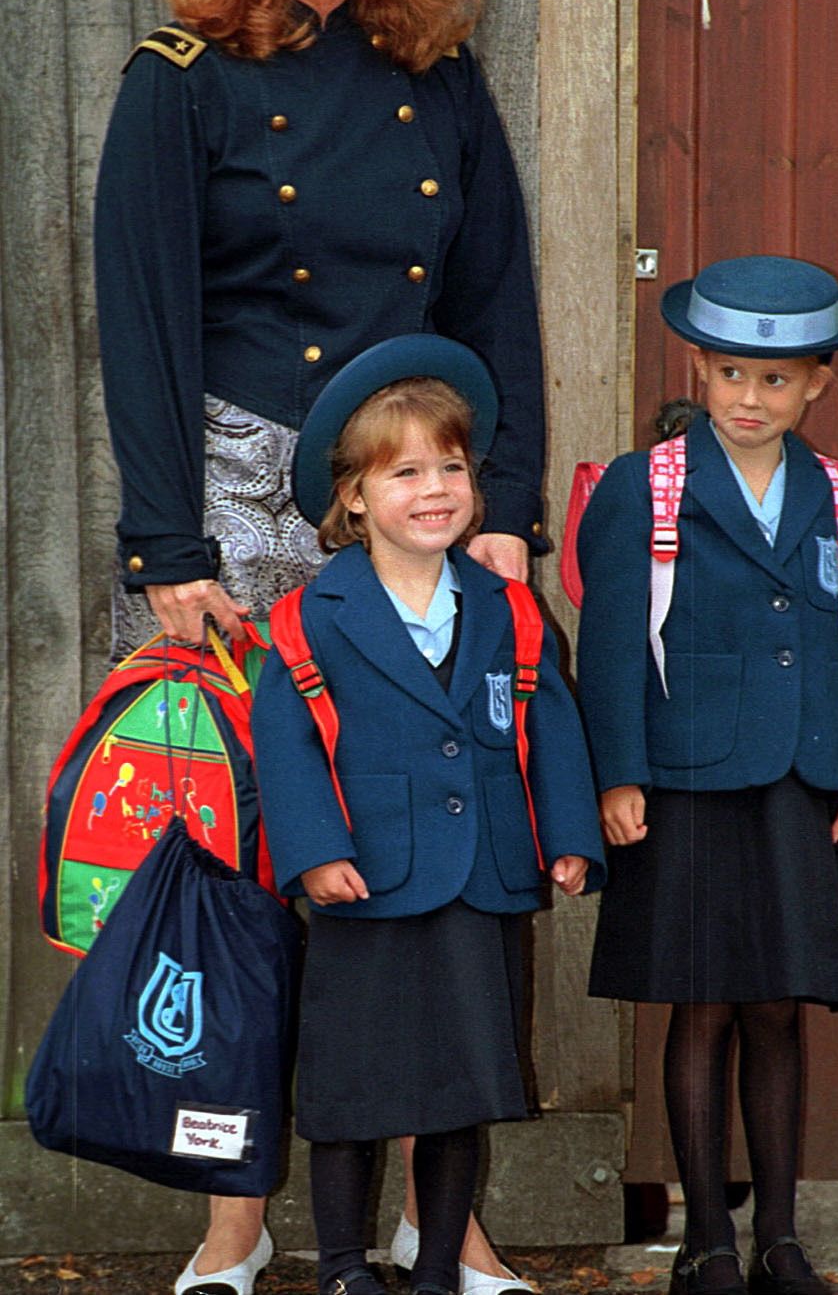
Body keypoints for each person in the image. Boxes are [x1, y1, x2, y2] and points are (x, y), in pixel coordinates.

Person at [93, 0, 547, 1289]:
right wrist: (167, 550)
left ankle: (440, 1211)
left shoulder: (441, 61)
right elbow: (142, 321)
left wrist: (508, 517)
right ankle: (235, 1209)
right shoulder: (182, 70)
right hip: (227, 506)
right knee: (233, 869)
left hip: (410, 506)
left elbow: (497, 301)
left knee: (434, 855)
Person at [251, 334, 606, 1295]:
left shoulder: (507, 608)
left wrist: (567, 835)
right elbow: (284, 748)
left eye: (450, 466)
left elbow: (549, 723)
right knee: (352, 1088)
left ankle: (440, 1265)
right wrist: (313, 852)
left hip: (483, 873)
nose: (435, 487)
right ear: (354, 497)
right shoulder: (308, 618)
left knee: (460, 1085)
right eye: (404, 471)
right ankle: (340, 1268)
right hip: (366, 879)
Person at [576, 257, 838, 1295]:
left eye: (774, 379)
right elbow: (613, 641)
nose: (748, 399)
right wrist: (617, 773)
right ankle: (707, 1237)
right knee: (700, 1002)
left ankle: (781, 1234)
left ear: (815, 383)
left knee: (774, 1005)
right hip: (680, 780)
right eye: (728, 375)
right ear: (699, 372)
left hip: (797, 781)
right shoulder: (648, 483)